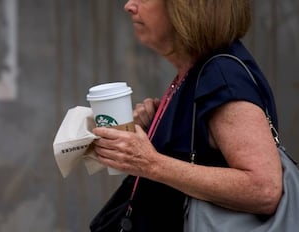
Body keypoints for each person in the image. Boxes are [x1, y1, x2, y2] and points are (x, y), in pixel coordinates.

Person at [91, 0, 283, 231]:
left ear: (188, 6)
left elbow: (264, 189)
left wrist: (150, 162)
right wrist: (156, 131)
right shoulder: (197, 70)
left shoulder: (222, 76)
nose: (129, 5)